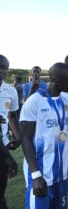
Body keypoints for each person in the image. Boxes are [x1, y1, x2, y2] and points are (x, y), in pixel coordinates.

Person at [20, 62, 68, 209]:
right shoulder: (34, 102)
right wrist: (36, 175)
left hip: (61, 175)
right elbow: (25, 139)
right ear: (57, 81)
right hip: (41, 175)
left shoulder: (67, 100)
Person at [0, 54, 19, 209]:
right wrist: (9, 159)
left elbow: (12, 115)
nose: (1, 70)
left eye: (4, 67)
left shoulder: (10, 91)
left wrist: (17, 136)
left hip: (3, 145)